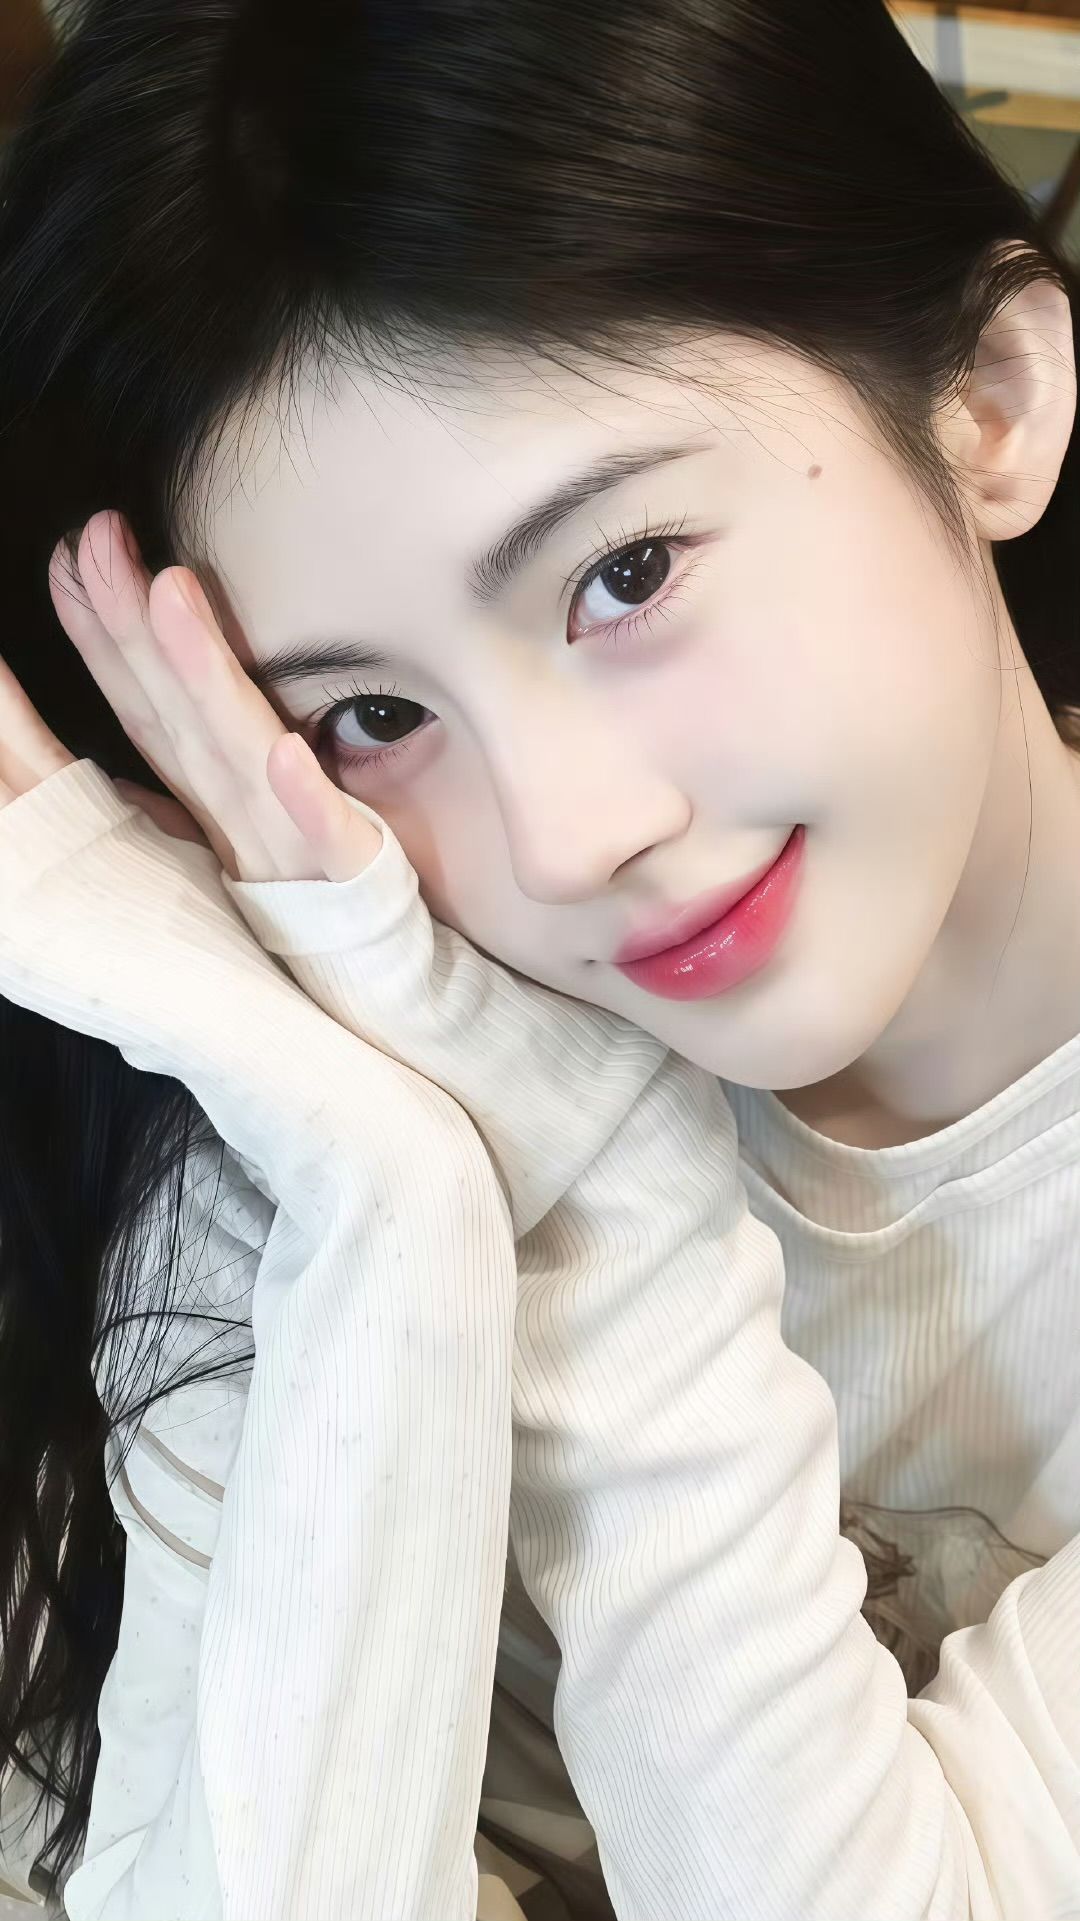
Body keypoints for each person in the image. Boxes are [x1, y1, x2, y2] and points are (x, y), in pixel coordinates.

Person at [1, 0, 1079, 1913]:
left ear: (987, 399)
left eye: (626, 573)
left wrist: (609, 1190)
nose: (568, 838)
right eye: (370, 718)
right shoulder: (348, 1071)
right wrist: (393, 1198)